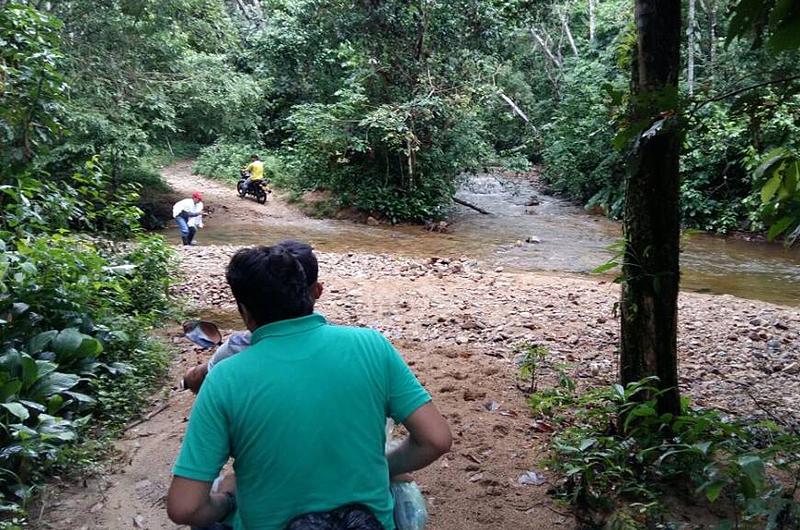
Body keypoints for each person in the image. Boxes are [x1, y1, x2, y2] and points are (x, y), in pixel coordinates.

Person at [167, 244, 451, 530]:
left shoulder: (225, 378)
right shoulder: (371, 345)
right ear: (309, 293)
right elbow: (436, 439)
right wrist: (381, 467)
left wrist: (228, 499)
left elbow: (184, 507)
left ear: (244, 311)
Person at [181, 240, 323, 394]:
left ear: (245, 311)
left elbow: (203, 379)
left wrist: (189, 377)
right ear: (317, 291)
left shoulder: (236, 348)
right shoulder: (349, 341)